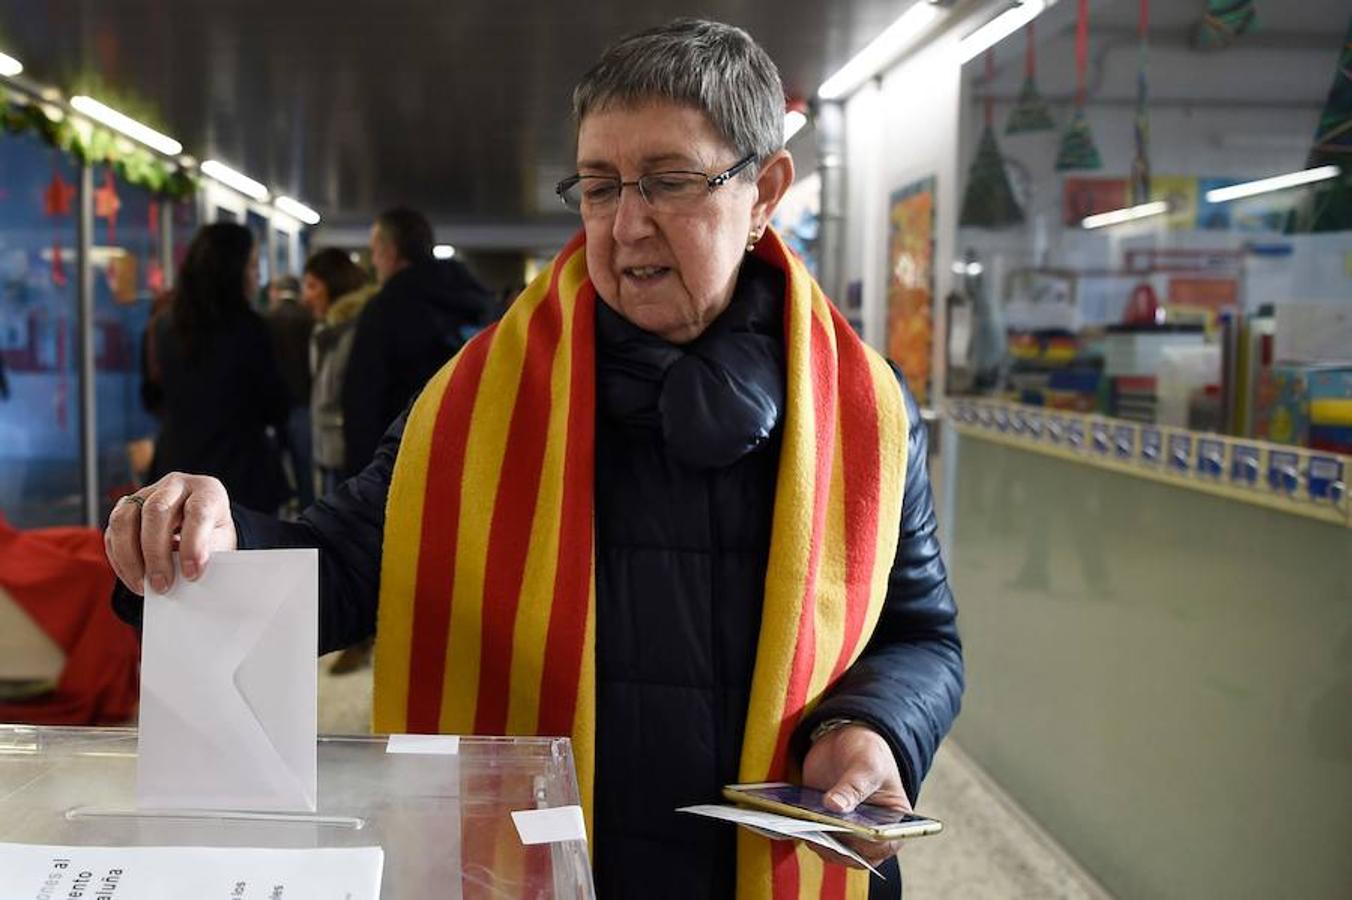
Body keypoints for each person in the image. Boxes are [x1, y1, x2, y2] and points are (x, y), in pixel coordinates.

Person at [106, 19, 962, 899]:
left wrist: (875, 726)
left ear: (766, 191)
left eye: (667, 182)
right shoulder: (474, 399)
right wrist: (210, 536)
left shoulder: (869, 411)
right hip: (533, 865)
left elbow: (921, 635)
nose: (626, 225)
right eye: (598, 187)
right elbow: (347, 566)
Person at [140, 222, 290, 514]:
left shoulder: (163, 325)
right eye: (252, 265)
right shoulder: (250, 328)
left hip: (176, 473)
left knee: (182, 555)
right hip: (241, 475)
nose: (257, 277)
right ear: (233, 271)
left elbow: (150, 397)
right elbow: (276, 405)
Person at [340, 207, 493, 476]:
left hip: (401, 465)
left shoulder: (384, 310)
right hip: (474, 459)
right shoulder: (478, 304)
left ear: (390, 251)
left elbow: (362, 399)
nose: (374, 262)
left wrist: (361, 479)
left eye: (375, 251)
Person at [300, 249, 376, 496]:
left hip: (350, 454)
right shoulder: (324, 329)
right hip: (326, 450)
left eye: (312, 286)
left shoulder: (356, 331)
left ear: (333, 284)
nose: (306, 297)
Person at [264, 275, 317, 509]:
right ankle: (306, 519)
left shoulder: (265, 319)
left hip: (275, 406)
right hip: (304, 403)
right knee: (304, 469)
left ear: (275, 290)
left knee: (272, 468)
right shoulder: (310, 318)